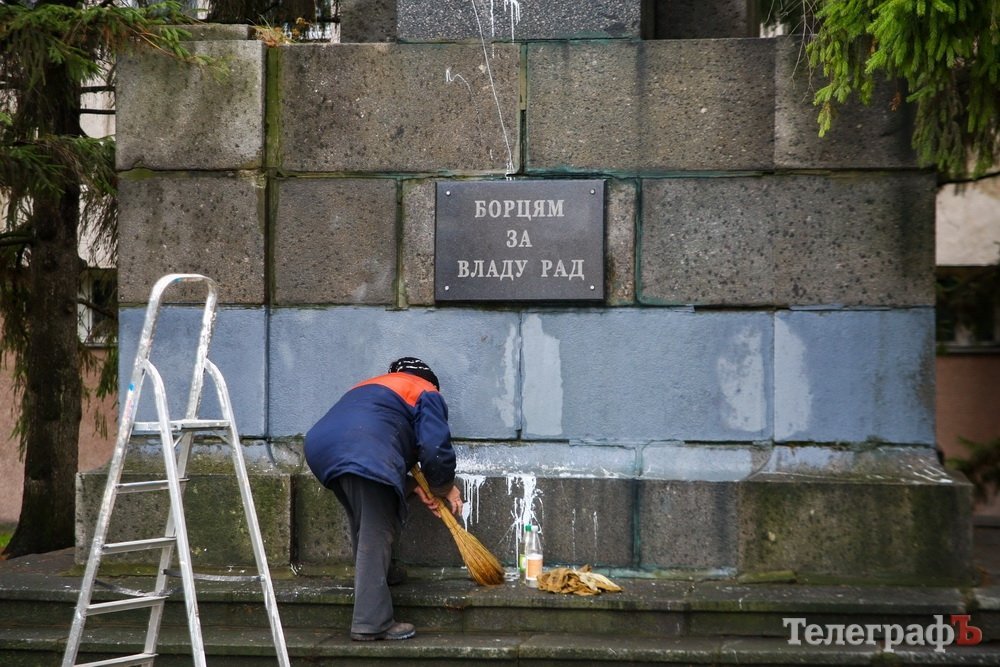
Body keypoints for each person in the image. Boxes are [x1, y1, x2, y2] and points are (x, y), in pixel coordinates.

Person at [304, 357, 463, 641]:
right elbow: (434, 446)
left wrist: (415, 485)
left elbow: (377, 431)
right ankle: (371, 621)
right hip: (365, 449)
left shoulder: (372, 388)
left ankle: (384, 575)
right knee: (377, 530)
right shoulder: (426, 390)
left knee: (366, 518)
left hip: (321, 447)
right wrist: (443, 487)